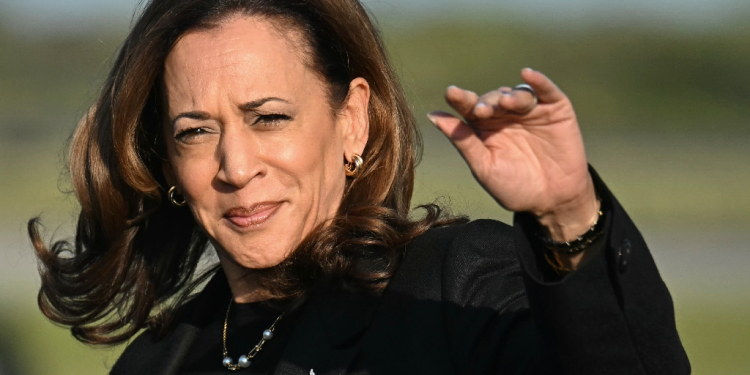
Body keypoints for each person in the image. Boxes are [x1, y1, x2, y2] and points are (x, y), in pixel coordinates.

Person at [28, 0, 690, 374]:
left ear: (351, 121)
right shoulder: (157, 362)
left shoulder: (452, 284)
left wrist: (566, 215)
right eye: (196, 131)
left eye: (269, 118)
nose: (234, 164)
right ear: (169, 164)